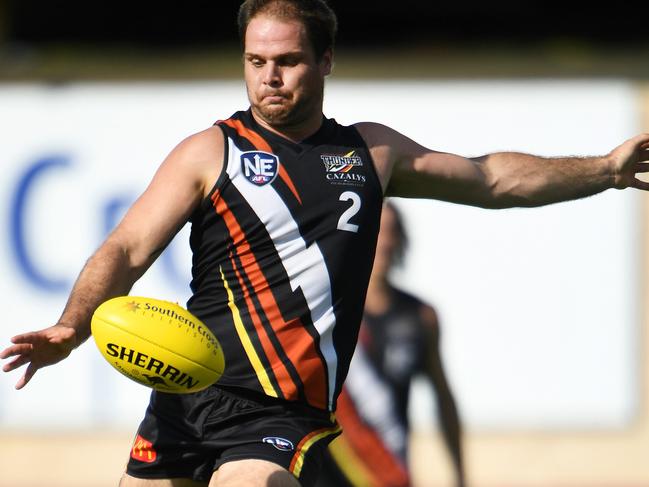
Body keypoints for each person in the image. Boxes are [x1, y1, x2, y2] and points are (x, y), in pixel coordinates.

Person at [1, 0, 648, 486]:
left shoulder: (369, 151)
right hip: (184, 396)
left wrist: (605, 171)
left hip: (279, 412)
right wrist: (71, 324)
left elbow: (490, 177)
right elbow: (126, 248)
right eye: (256, 62)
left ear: (326, 60)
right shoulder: (210, 151)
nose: (268, 78)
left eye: (286, 61)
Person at [316, 201, 464, 487]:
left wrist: (459, 474)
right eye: (376, 231)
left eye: (391, 232)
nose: (383, 243)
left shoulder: (421, 316)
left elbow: (443, 399)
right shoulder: (325, 312)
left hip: (388, 475)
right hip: (325, 475)